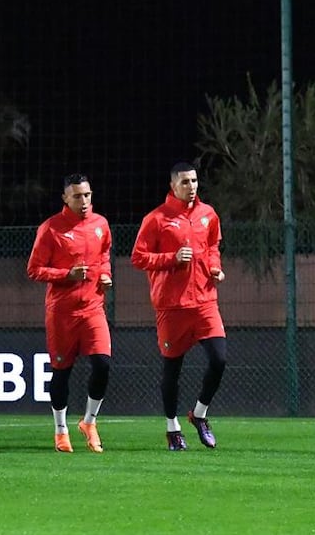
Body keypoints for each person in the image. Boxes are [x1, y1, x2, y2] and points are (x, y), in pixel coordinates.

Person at [131, 162, 227, 451]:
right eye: (185, 182)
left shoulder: (208, 214)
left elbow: (213, 247)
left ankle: (199, 414)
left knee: (219, 359)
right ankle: (173, 428)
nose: (191, 186)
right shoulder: (156, 219)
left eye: (194, 180)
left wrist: (214, 268)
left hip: (205, 301)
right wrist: (171, 258)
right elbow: (138, 257)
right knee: (172, 369)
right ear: (173, 186)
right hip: (172, 307)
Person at [26, 174, 113, 453]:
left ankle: (89, 422)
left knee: (102, 364)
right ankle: (60, 430)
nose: (84, 201)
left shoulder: (100, 225)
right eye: (77, 196)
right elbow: (34, 270)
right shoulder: (51, 228)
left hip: (93, 308)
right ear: (65, 198)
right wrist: (67, 274)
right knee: (61, 373)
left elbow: (104, 257)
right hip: (62, 312)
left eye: (87, 195)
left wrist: (106, 275)